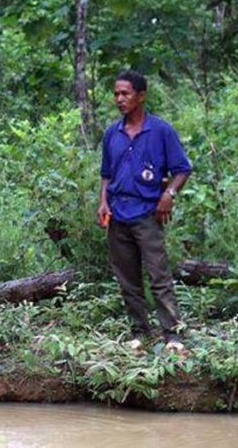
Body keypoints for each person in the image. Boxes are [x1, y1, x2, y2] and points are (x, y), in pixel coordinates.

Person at [97, 69, 192, 352]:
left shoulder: (160, 131)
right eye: (116, 93)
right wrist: (103, 201)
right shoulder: (112, 134)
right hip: (118, 214)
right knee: (127, 279)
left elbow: (182, 169)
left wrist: (169, 194)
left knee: (158, 275)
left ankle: (173, 334)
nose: (119, 99)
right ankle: (139, 331)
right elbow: (106, 174)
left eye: (125, 93)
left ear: (141, 96)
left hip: (147, 215)